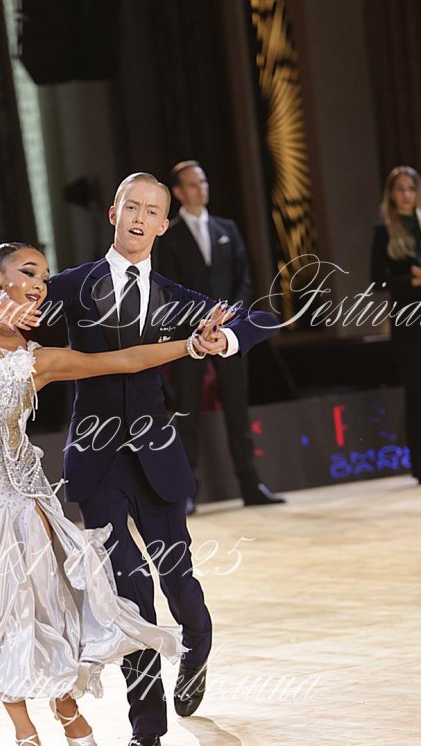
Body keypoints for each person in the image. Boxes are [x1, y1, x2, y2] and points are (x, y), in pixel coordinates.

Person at [0, 172, 279, 746]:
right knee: (126, 591)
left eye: (152, 211)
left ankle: (196, 647)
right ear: (113, 214)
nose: (139, 217)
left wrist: (218, 342)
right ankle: (146, 722)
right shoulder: (68, 285)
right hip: (95, 458)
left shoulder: (175, 296)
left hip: (157, 455)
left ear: (163, 225)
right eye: (131, 206)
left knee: (179, 581)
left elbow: (259, 318)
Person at [0, 235, 225, 746]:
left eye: (45, 278)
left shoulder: (37, 360)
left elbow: (122, 359)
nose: (40, 286)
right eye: (28, 272)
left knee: (44, 613)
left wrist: (190, 347)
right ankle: (25, 733)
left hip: (18, 507)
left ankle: (65, 705)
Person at [157, 160, 285, 511]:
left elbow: (244, 278)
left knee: (238, 411)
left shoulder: (226, 228)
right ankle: (186, 491)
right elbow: (169, 287)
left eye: (203, 182)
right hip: (190, 335)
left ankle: (251, 484)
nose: (201, 188)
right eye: (192, 184)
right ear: (178, 192)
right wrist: (201, 323)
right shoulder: (170, 236)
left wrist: (229, 322)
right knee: (187, 413)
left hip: (229, 333)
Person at [371, 166, 421, 485]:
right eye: (400, 189)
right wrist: (410, 280)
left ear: (419, 192)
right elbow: (377, 279)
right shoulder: (384, 231)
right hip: (406, 316)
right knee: (416, 389)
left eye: (411, 189)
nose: (406, 195)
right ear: (391, 195)